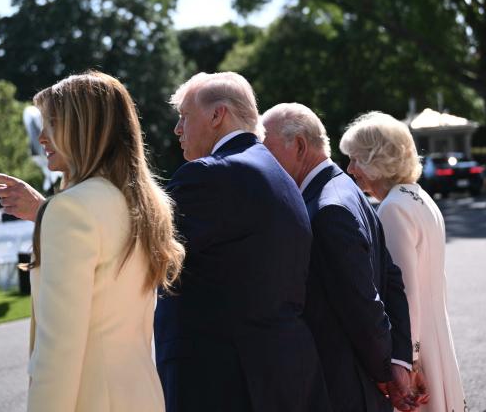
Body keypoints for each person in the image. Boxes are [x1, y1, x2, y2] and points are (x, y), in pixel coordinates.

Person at [154, 73, 330, 412]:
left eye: (184, 116)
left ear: (217, 115)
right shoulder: (278, 173)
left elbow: (141, 247)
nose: (177, 129)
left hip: (223, 383)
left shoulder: (211, 175)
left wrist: (51, 213)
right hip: (280, 374)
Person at [21, 71, 185, 412]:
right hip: (142, 395)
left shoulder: (69, 209)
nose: (42, 137)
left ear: (83, 129)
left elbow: (60, 350)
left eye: (51, 123)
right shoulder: (145, 203)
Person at [262, 103, 421, 412]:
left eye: (267, 151)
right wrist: (397, 361)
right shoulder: (346, 190)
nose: (262, 162)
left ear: (299, 146)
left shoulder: (325, 209)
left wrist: (388, 374)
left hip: (346, 390)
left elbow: (364, 304)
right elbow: (391, 280)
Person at [340, 111, 466, 412]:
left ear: (377, 159)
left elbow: (404, 293)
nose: (350, 169)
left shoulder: (393, 209)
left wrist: (407, 361)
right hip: (438, 340)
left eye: (356, 158)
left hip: (419, 348)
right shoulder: (420, 198)